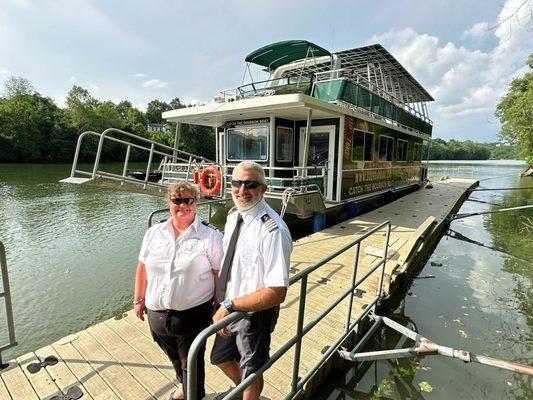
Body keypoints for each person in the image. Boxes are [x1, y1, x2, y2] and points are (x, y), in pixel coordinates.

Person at [134, 181, 223, 400]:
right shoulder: (154, 233)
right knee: (176, 360)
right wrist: (138, 300)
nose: (182, 205)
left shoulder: (210, 236)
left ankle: (194, 394)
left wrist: (219, 304)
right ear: (169, 202)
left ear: (196, 202)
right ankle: (185, 388)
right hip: (156, 315)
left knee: (191, 362)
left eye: (188, 200)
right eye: (177, 200)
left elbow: (218, 273)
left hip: (192, 316)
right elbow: (142, 267)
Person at [211, 161, 293, 400]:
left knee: (251, 371)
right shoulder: (233, 215)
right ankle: (245, 392)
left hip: (254, 314)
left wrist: (230, 306)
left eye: (250, 184)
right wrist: (222, 303)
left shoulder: (273, 231)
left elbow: (277, 292)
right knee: (221, 358)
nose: (242, 189)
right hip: (228, 306)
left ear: (263, 188)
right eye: (237, 183)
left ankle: (249, 392)